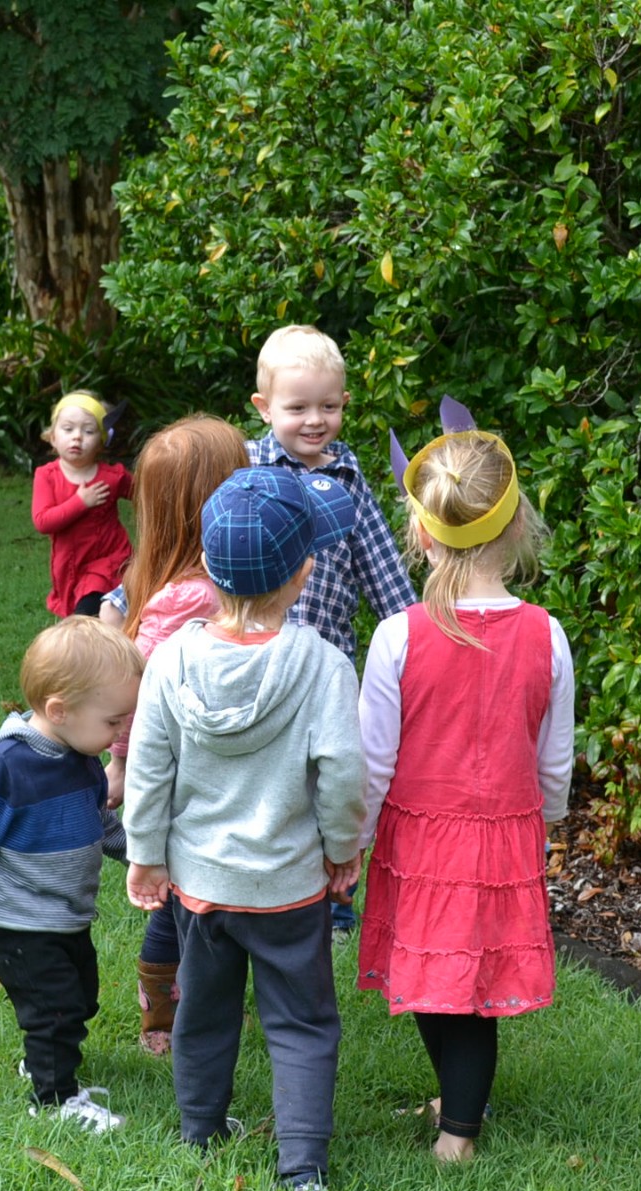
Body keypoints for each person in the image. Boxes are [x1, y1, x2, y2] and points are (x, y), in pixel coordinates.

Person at [124, 465, 368, 1191]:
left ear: (207, 564)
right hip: (288, 888)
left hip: (200, 887)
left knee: (203, 1010)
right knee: (301, 1023)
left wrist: (145, 855)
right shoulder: (323, 666)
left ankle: (200, 1128)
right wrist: (342, 850)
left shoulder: (171, 660)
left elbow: (148, 768)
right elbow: (343, 776)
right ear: (303, 574)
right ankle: (303, 1170)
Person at [357, 409, 574, 1164]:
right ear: (517, 528)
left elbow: (373, 760)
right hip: (498, 835)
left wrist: (352, 840)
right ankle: (459, 1098)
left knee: (448, 981)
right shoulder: (546, 634)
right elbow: (554, 755)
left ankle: (458, 1135)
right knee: (454, 979)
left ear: (421, 535)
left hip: (420, 838)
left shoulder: (397, 635)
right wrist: (547, 817)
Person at [0, 617, 145, 1133]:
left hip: (66, 914)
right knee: (55, 1008)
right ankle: (54, 1099)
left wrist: (142, 854)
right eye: (113, 722)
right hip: (20, 919)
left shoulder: (81, 758)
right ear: (59, 710)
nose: (121, 734)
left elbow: (98, 822)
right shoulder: (4, 767)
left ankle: (44, 1058)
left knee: (81, 997)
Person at [246, 325, 419, 937]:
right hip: (256, 660)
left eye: (328, 406)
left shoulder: (348, 477)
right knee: (267, 777)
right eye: (297, 408)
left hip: (328, 665)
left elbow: (382, 568)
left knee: (332, 778)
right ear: (265, 408)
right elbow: (204, 549)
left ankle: (336, 897)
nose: (315, 420)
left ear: (344, 402)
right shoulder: (245, 469)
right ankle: (260, 883)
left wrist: (418, 638)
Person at [93, 416, 248, 1056]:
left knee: (186, 899)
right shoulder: (190, 596)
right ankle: (163, 1017)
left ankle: (188, 1005)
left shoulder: (178, 581)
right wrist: (121, 762)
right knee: (175, 904)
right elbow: (141, 691)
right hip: (182, 778)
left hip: (206, 774)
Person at [31, 391, 134, 617]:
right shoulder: (46, 476)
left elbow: (146, 493)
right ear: (53, 437)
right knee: (85, 616)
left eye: (88, 431)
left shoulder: (112, 477)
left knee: (85, 615)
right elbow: (42, 521)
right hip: (69, 565)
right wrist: (80, 502)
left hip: (109, 559)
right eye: (68, 429)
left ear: (101, 441)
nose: (77, 437)